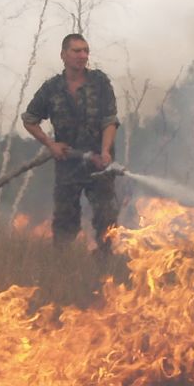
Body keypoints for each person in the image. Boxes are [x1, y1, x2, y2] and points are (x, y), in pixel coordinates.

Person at [22, 33, 120, 252]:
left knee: (106, 220)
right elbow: (29, 120)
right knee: (65, 223)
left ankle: (105, 270)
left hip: (100, 165)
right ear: (64, 55)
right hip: (68, 165)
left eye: (86, 51)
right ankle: (61, 269)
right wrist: (51, 144)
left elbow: (110, 121)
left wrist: (105, 152)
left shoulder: (100, 82)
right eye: (77, 51)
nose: (83, 56)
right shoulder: (51, 89)